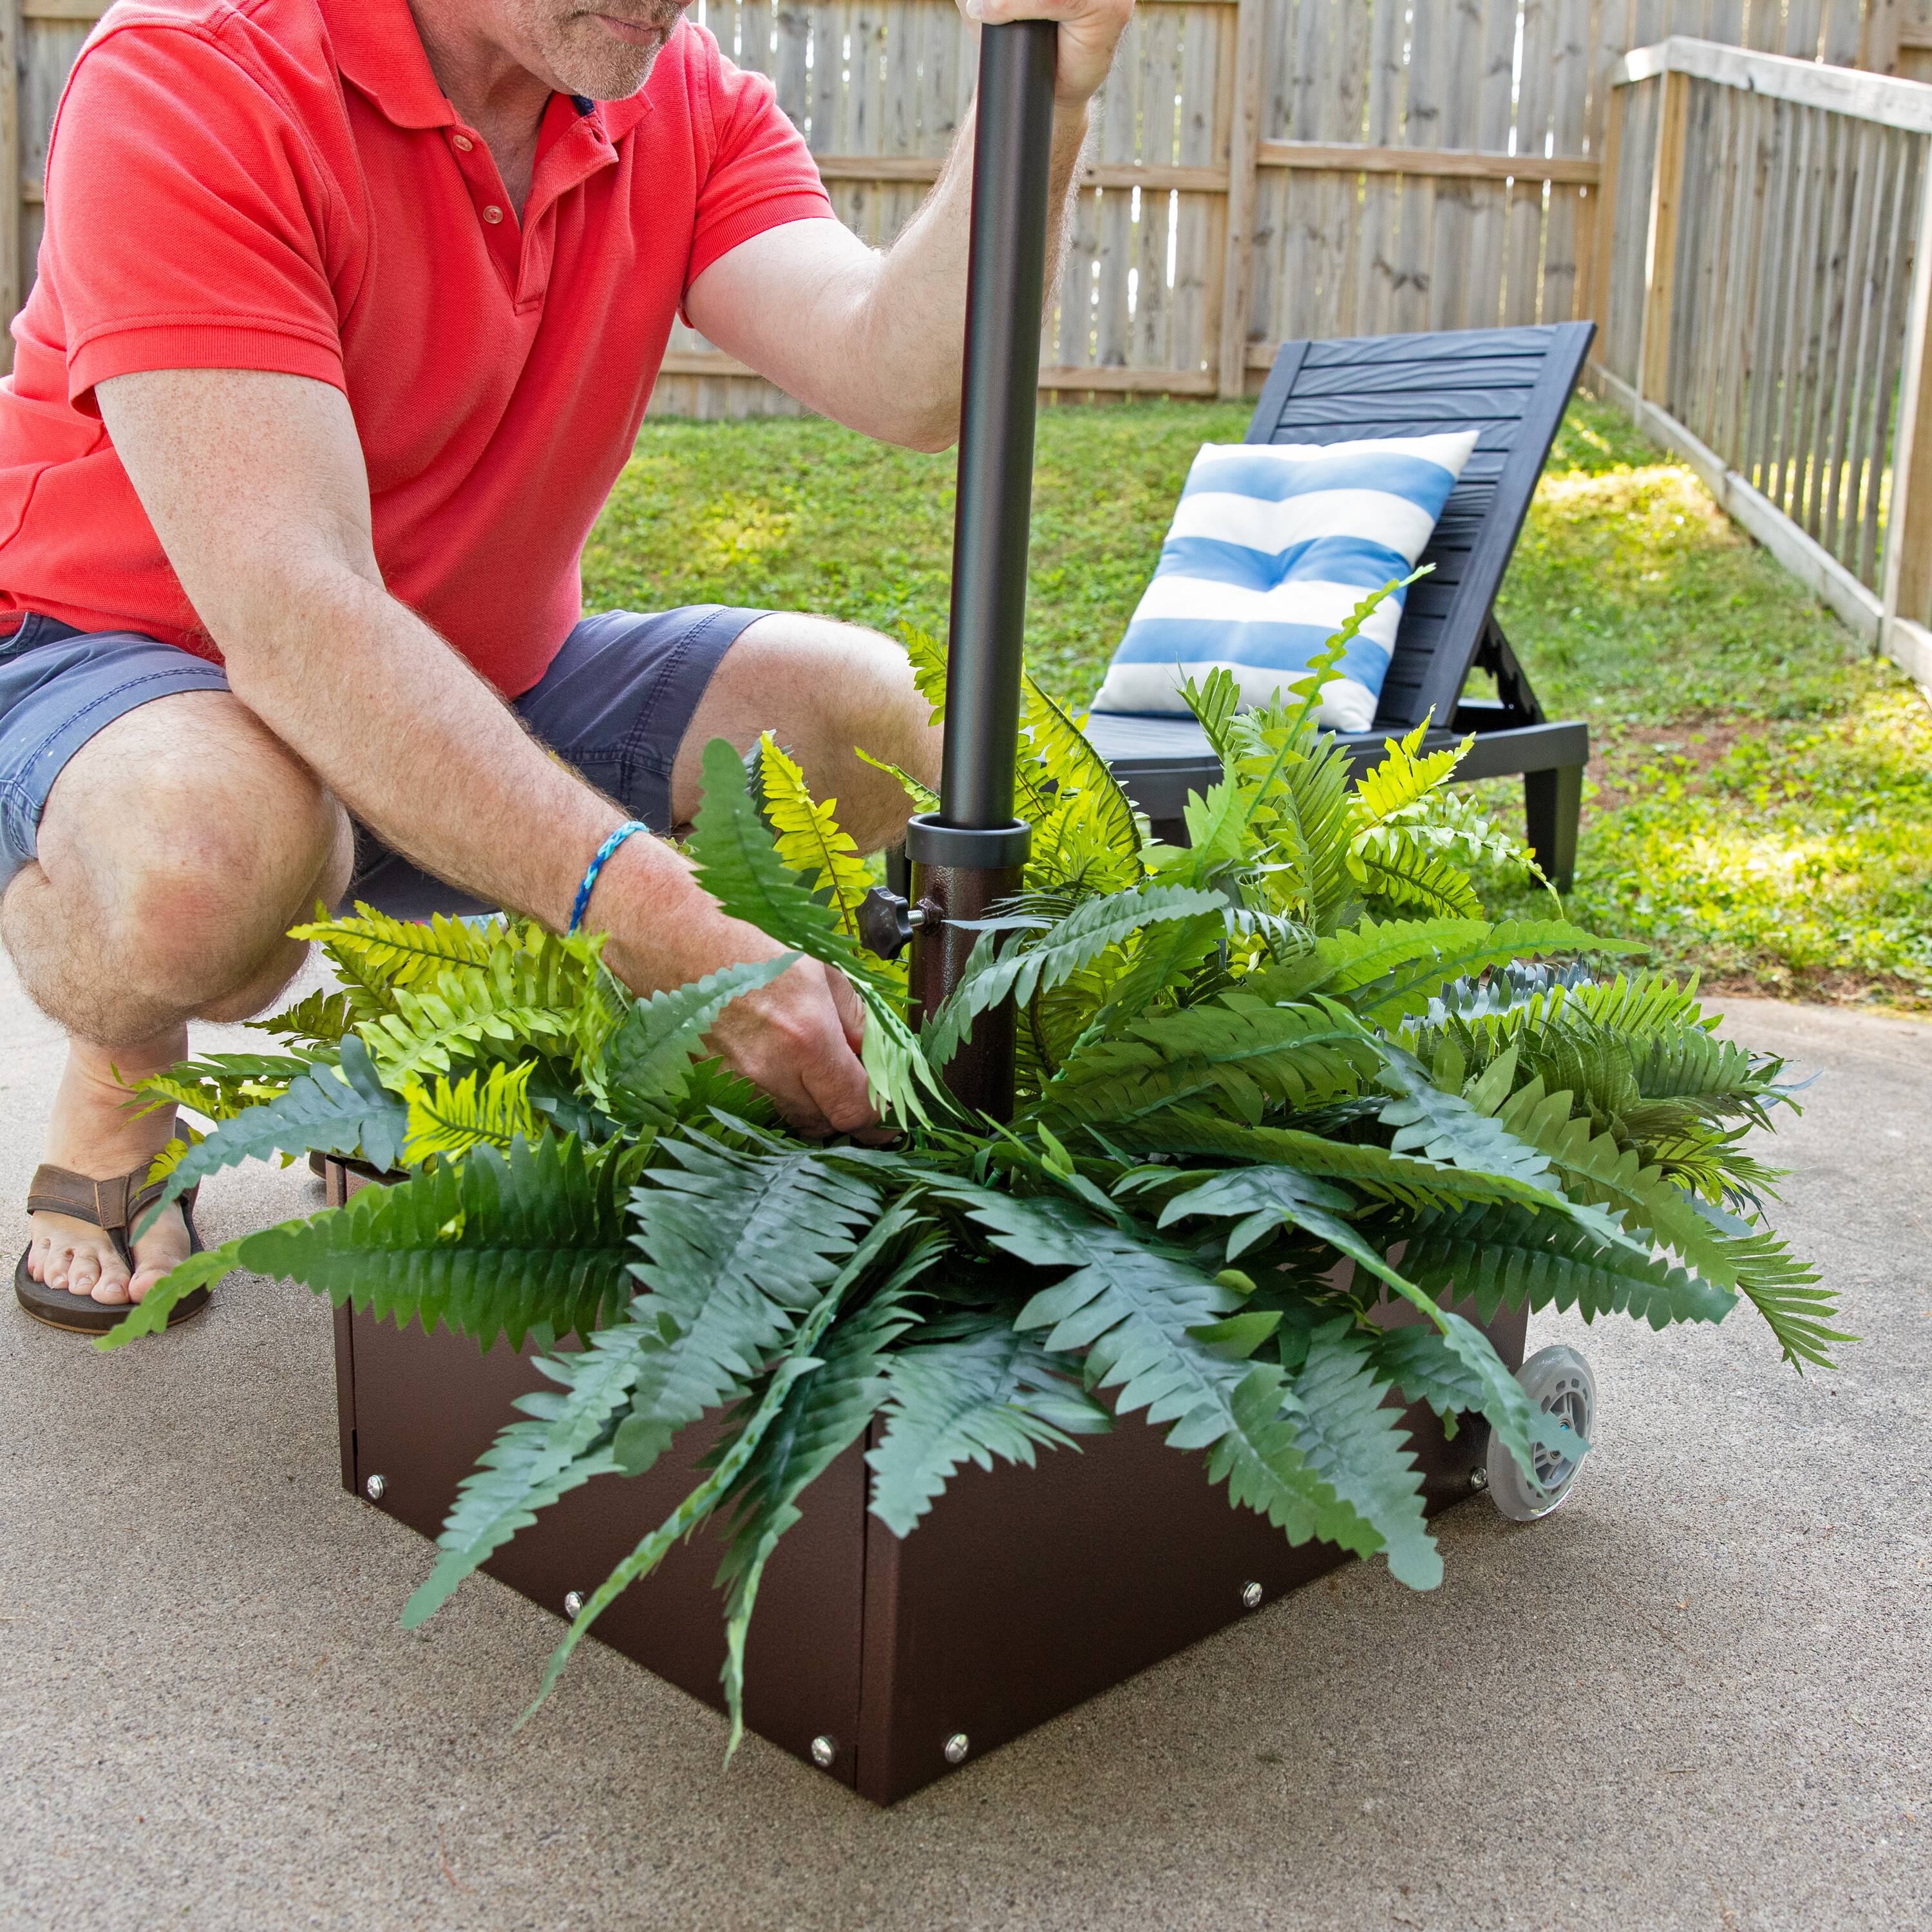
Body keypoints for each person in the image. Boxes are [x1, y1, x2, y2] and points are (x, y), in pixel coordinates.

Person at [0, 0, 1132, 1329]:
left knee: (877, 716)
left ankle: (427, 1035)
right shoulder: (197, 75)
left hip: (482, 672)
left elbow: (905, 377)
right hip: (127, 659)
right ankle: (123, 1065)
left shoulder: (671, 91)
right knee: (212, 862)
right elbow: (295, 618)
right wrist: (679, 940)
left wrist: (1045, 93)